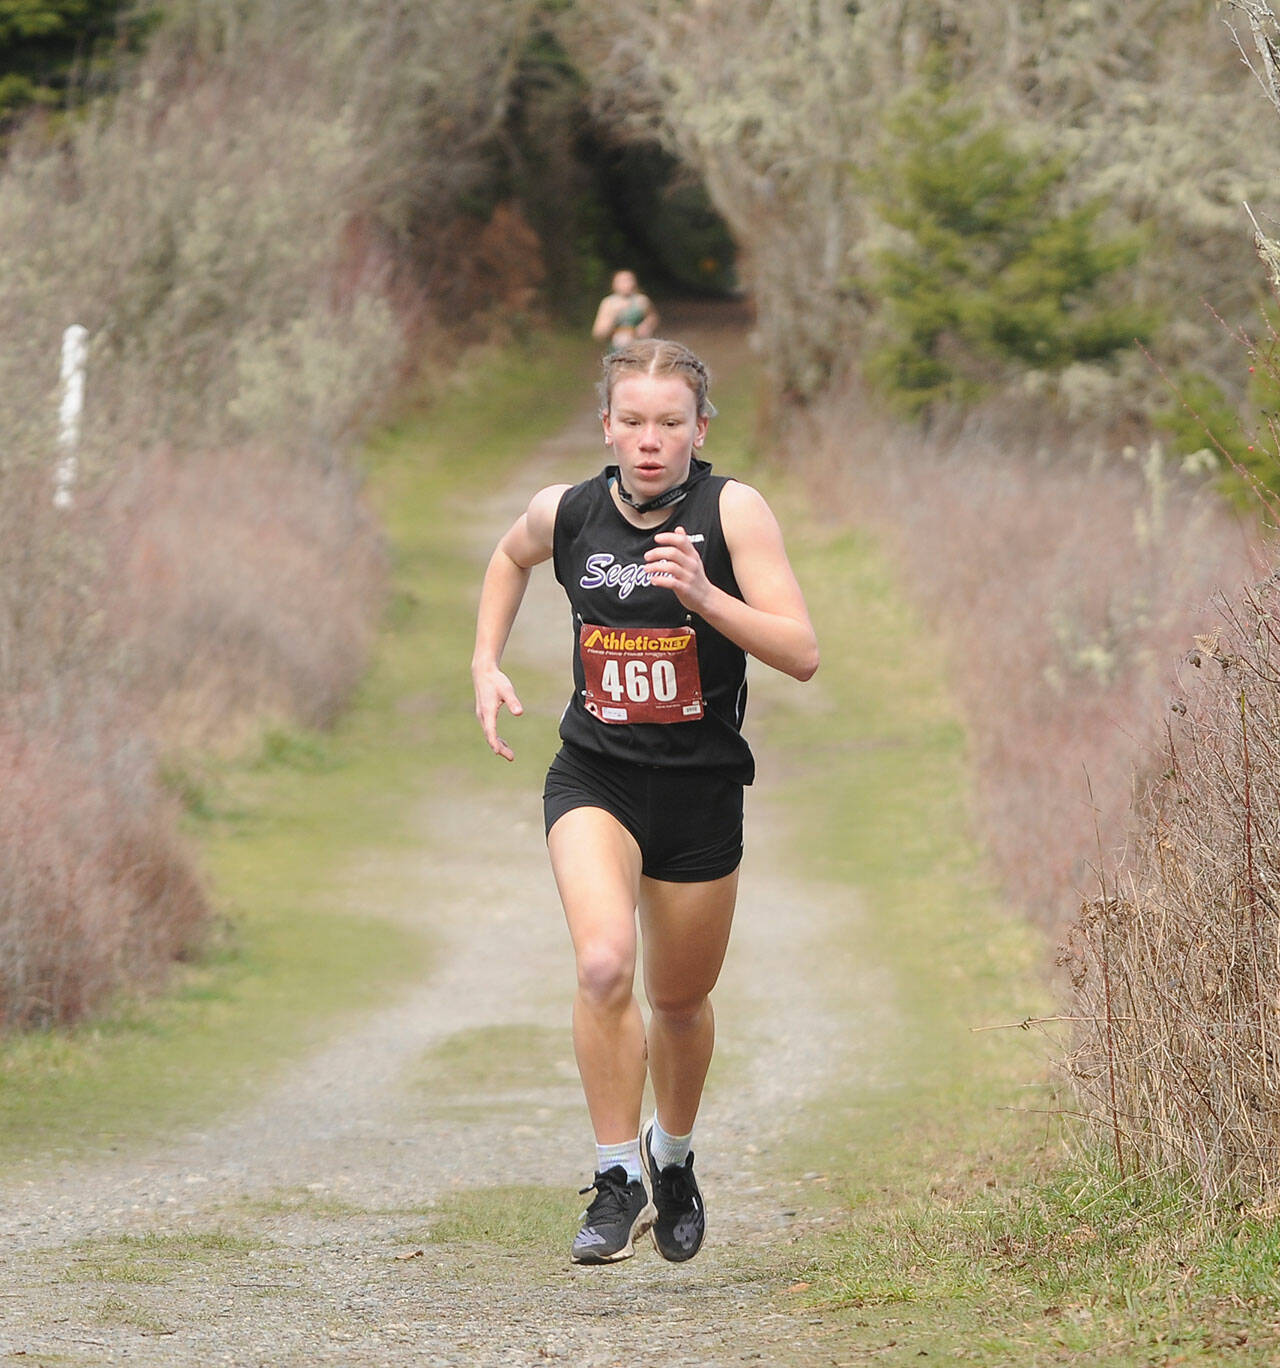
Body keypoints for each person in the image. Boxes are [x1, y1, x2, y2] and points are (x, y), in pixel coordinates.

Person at [471, 338, 818, 1265]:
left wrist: (705, 595)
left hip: (700, 786)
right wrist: (484, 662)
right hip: (596, 774)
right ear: (607, 427)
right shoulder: (571, 510)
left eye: (671, 423)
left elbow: (800, 651)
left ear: (701, 428)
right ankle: (616, 1176)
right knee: (601, 965)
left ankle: (675, 1157)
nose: (651, 440)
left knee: (678, 999)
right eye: (633, 421)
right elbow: (509, 558)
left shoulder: (732, 510)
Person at [591, 270, 659, 352]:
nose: (627, 284)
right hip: (617, 349)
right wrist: (613, 317)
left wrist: (646, 326)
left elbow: (653, 316)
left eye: (629, 280)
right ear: (614, 285)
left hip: (640, 347)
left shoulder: (641, 300)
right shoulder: (608, 303)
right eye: (622, 281)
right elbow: (598, 333)